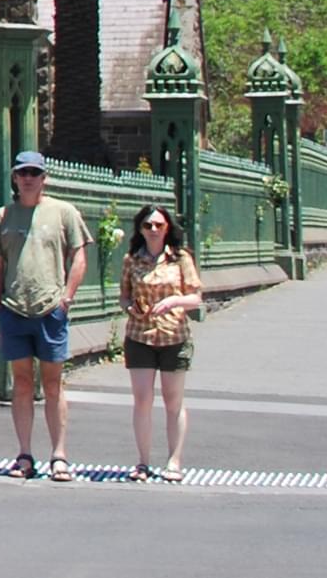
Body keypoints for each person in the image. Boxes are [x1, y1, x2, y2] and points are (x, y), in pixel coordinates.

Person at [0, 150, 91, 481]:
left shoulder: (63, 213)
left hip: (50, 310)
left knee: (54, 382)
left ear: (44, 178)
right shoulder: (2, 217)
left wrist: (66, 299)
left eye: (34, 172)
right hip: (15, 310)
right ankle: (24, 454)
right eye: (22, 172)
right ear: (15, 178)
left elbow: (80, 256)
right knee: (22, 382)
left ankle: (59, 455)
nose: (28, 178)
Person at [120, 203, 204, 482]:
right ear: (140, 229)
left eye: (159, 225)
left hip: (173, 336)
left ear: (168, 227)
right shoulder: (132, 259)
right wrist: (130, 307)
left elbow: (195, 297)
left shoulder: (180, 259)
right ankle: (142, 462)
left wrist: (174, 301)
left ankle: (174, 461)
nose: (153, 230)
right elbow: (124, 296)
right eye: (148, 225)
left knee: (173, 401)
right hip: (140, 335)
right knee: (142, 400)